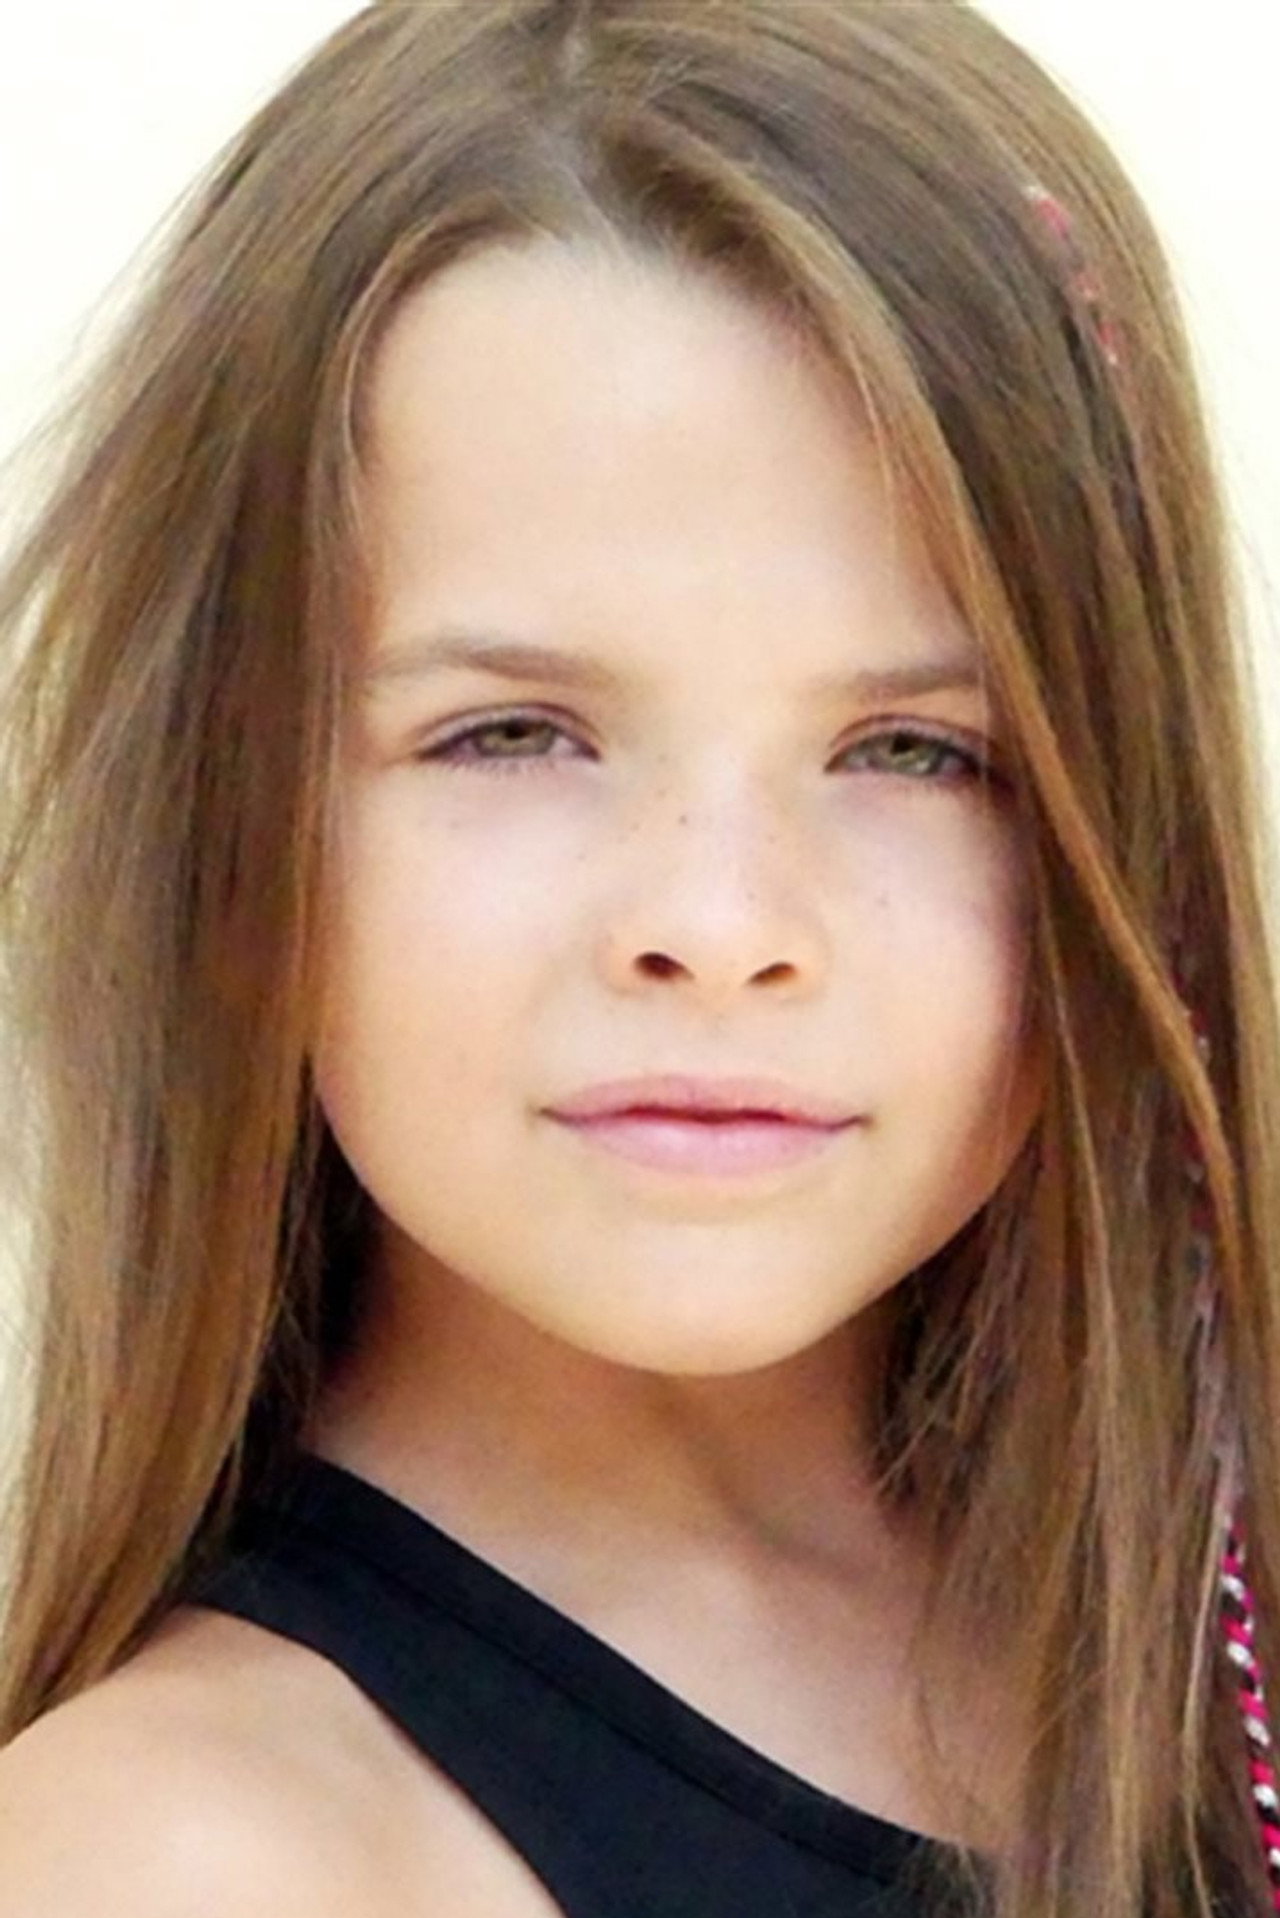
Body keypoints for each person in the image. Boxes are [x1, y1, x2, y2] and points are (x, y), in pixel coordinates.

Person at [0, 1, 1276, 1913]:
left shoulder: (1186, 1643)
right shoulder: (186, 1859)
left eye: (915, 751)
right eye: (512, 732)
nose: (723, 925)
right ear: (226, 811)